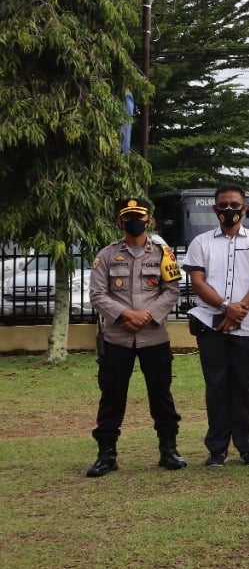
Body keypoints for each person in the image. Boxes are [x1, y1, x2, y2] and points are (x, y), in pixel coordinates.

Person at [85, 198, 186, 477]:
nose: (134, 221)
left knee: (161, 394)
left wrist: (148, 316)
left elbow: (172, 291)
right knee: (112, 395)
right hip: (117, 336)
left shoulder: (164, 253)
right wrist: (126, 314)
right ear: (120, 222)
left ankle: (169, 450)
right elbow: (97, 294)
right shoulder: (106, 255)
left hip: (154, 336)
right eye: (128, 217)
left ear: (149, 220)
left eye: (138, 216)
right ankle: (106, 454)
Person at [184, 184, 249, 467]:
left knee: (244, 386)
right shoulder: (201, 243)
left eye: (235, 205)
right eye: (223, 205)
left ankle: (248, 448)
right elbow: (197, 281)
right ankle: (217, 449)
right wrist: (226, 307)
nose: (229, 210)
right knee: (217, 386)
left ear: (244, 209)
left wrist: (239, 310)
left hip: (246, 327)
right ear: (215, 209)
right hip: (212, 325)